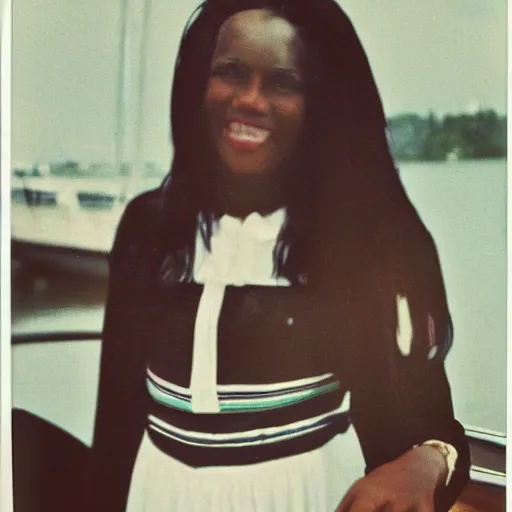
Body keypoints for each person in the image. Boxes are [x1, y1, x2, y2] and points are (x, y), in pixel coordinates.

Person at [89, 0, 470, 510]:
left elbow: (434, 427)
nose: (250, 100)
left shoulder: (359, 242)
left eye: (282, 84)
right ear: (197, 86)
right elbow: (114, 424)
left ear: (319, 105)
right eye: (230, 73)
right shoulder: (147, 228)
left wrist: (426, 462)